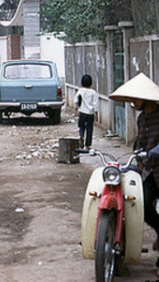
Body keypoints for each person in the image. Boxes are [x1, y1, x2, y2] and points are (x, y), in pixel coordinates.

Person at [109, 73, 159, 264]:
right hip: (148, 171)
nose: (133, 101)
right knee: (142, 205)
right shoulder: (141, 119)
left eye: (136, 98)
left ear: (146, 99)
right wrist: (135, 155)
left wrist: (156, 151)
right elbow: (139, 142)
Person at [76, 74, 98, 149]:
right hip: (90, 114)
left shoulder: (80, 91)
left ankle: (81, 136)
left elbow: (75, 100)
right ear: (91, 83)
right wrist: (96, 114)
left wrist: (78, 107)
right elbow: (95, 104)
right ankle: (87, 146)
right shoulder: (93, 92)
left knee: (81, 126)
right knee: (89, 129)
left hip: (82, 112)